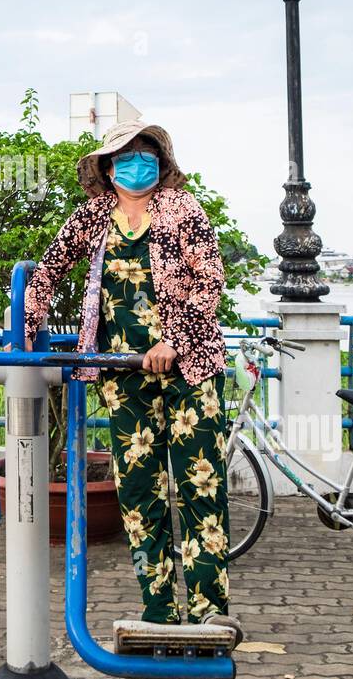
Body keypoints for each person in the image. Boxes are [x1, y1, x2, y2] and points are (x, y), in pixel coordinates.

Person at [22, 118, 242, 637]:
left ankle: (212, 610)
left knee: (200, 483)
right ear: (107, 168)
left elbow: (209, 280)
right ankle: (159, 609)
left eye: (145, 155)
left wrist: (175, 340)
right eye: (124, 157)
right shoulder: (94, 216)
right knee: (138, 491)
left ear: (160, 163)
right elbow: (48, 271)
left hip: (188, 366)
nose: (136, 164)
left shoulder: (182, 209)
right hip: (123, 373)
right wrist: (30, 332)